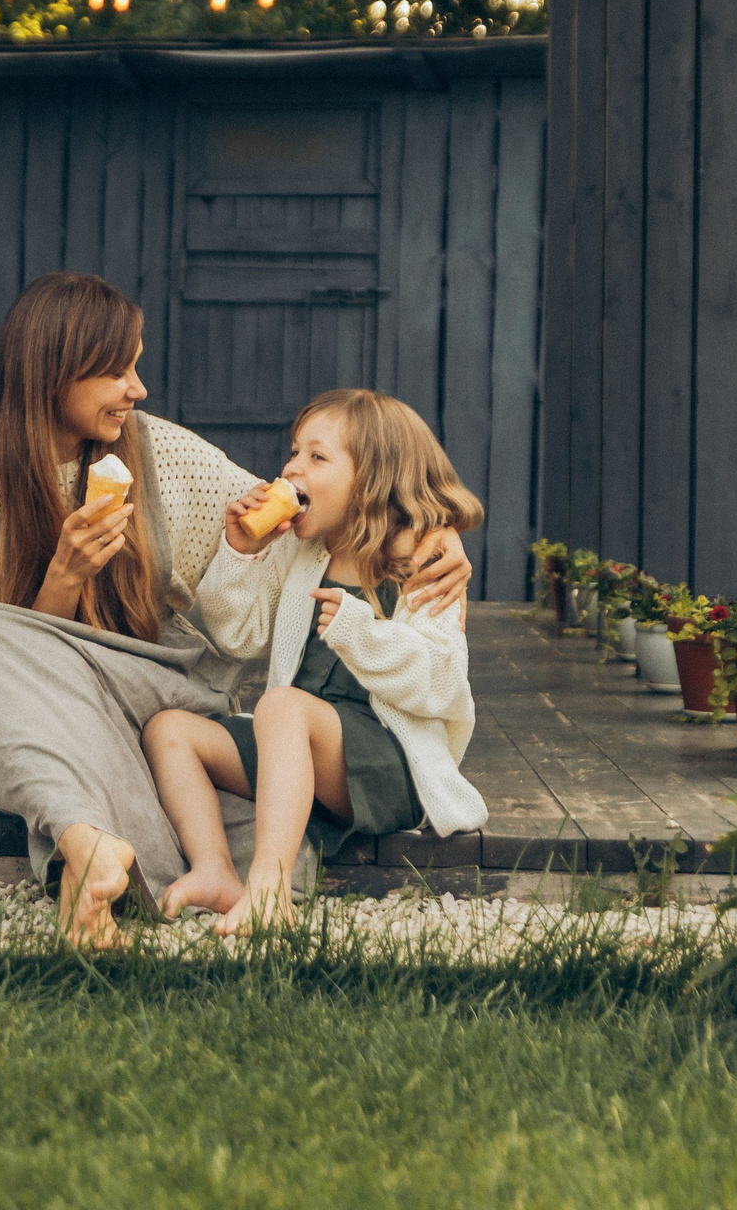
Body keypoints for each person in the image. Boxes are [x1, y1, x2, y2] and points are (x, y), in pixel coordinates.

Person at [0, 273, 473, 947]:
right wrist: (63, 577)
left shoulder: (157, 450)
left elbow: (301, 513)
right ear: (52, 374)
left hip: (150, 692)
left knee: (208, 746)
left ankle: (87, 840)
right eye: (117, 370)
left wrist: (428, 530)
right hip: (48, 717)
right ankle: (91, 836)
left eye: (136, 364)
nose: (138, 388)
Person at [144, 389, 489, 933]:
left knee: (280, 707)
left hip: (387, 766)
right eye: (293, 451)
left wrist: (361, 633)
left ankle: (269, 889)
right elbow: (239, 635)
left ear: (373, 478)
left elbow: (442, 682)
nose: (291, 467)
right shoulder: (303, 550)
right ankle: (213, 869)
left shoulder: (421, 562)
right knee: (170, 731)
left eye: (316, 456)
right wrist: (239, 551)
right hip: (295, 749)